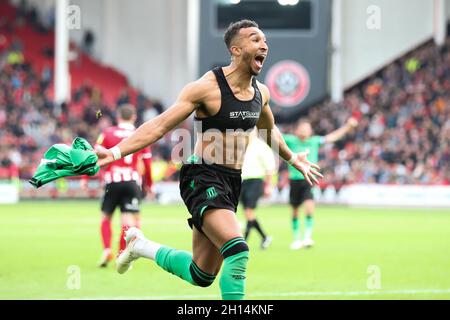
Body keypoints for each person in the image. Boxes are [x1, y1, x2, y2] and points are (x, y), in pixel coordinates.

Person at [95, 20, 322, 300]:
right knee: (238, 250)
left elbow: (267, 129)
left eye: (265, 40)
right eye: (255, 39)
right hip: (202, 176)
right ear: (236, 50)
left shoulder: (261, 93)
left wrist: (291, 158)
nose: (264, 44)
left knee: (201, 274)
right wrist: (116, 151)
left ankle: (140, 246)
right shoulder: (206, 88)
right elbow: (160, 125)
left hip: (231, 182)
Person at [283, 118, 358, 250]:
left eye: (307, 128)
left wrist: (348, 127)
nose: (305, 130)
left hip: (309, 178)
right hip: (294, 179)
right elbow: (271, 135)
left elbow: (333, 136)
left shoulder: (314, 141)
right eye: (303, 128)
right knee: (295, 209)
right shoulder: (290, 140)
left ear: (310, 131)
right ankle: (296, 239)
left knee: (309, 206)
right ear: (297, 130)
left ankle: (307, 237)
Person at [95, 104, 153, 267]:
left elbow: (95, 155)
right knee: (128, 219)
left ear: (118, 116)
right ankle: (122, 254)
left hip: (112, 180)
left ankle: (107, 249)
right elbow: (147, 162)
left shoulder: (107, 133)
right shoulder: (140, 134)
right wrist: (149, 184)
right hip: (132, 180)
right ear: (134, 117)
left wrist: (87, 177)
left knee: (106, 217)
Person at [240, 130, 276, 249]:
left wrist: (268, 186)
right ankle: (265, 237)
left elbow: (270, 168)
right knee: (248, 214)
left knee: (249, 212)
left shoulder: (261, 147)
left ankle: (244, 241)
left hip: (256, 180)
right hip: (243, 181)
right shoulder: (241, 146)